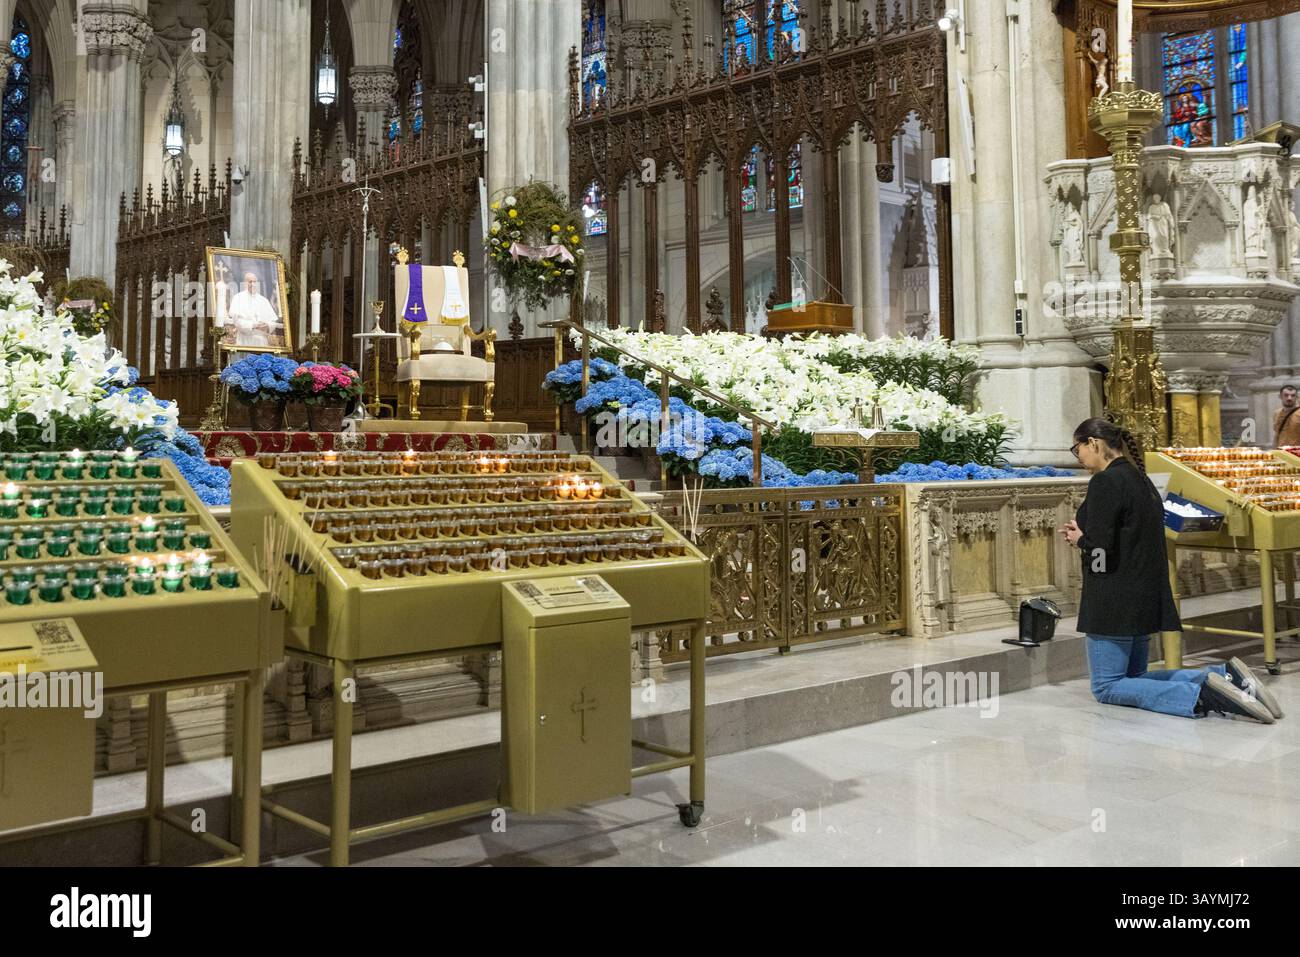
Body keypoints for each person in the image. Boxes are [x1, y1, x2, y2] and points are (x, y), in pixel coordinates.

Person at [1060, 417, 1283, 723]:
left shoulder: (1105, 481)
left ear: (1094, 443)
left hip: (1113, 597)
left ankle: (1203, 693)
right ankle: (1224, 676)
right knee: (1136, 676)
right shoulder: (1142, 479)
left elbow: (1101, 548)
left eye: (1078, 449)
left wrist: (1080, 539)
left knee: (1107, 686)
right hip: (1144, 594)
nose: (1079, 458)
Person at [227, 270, 284, 348]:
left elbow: (272, 321)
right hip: (245, 340)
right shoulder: (238, 298)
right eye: (250, 282)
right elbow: (237, 321)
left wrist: (267, 326)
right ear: (245, 283)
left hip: (262, 341)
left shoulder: (264, 300)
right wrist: (253, 325)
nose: (253, 284)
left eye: (255, 282)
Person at [1273, 384, 1300, 448]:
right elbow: (1276, 435)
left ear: (1296, 397)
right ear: (1280, 396)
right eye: (1286, 395)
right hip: (1281, 452)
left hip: (1296, 454)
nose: (1289, 398)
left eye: (1293, 395)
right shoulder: (1277, 413)